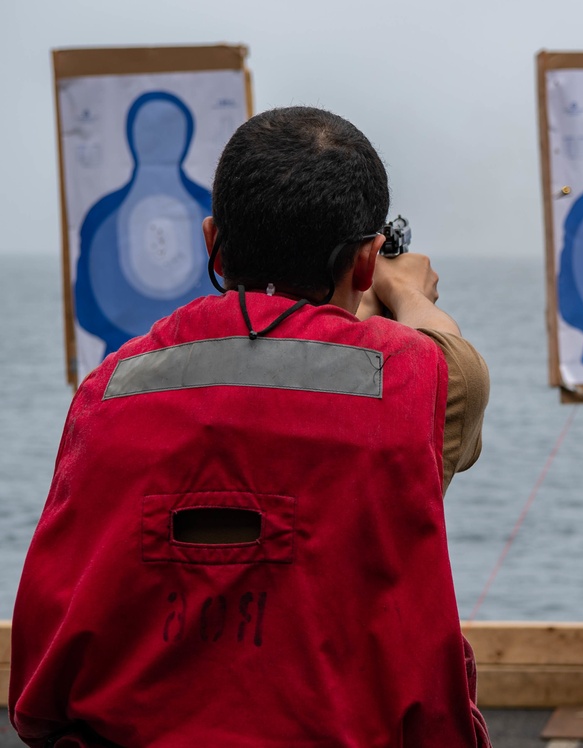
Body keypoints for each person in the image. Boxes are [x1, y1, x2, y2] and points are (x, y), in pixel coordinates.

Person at [9, 106, 491, 747]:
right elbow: (455, 360)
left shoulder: (109, 388)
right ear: (368, 261)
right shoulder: (415, 379)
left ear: (212, 240)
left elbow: (46, 649)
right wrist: (407, 294)